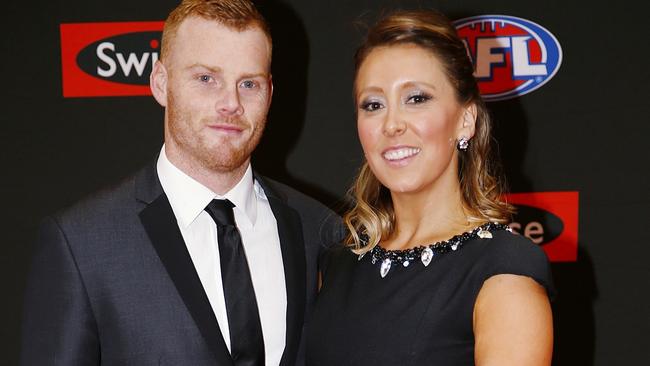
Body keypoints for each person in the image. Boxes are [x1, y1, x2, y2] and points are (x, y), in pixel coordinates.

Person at [21, 0, 341, 365]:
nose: (230, 103)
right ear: (161, 82)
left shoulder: (319, 230)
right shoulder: (82, 244)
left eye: (248, 83)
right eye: (206, 78)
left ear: (269, 93)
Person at [306, 9, 554, 366]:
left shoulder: (502, 269)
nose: (391, 124)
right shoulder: (337, 265)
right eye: (373, 105)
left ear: (466, 120)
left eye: (417, 98)